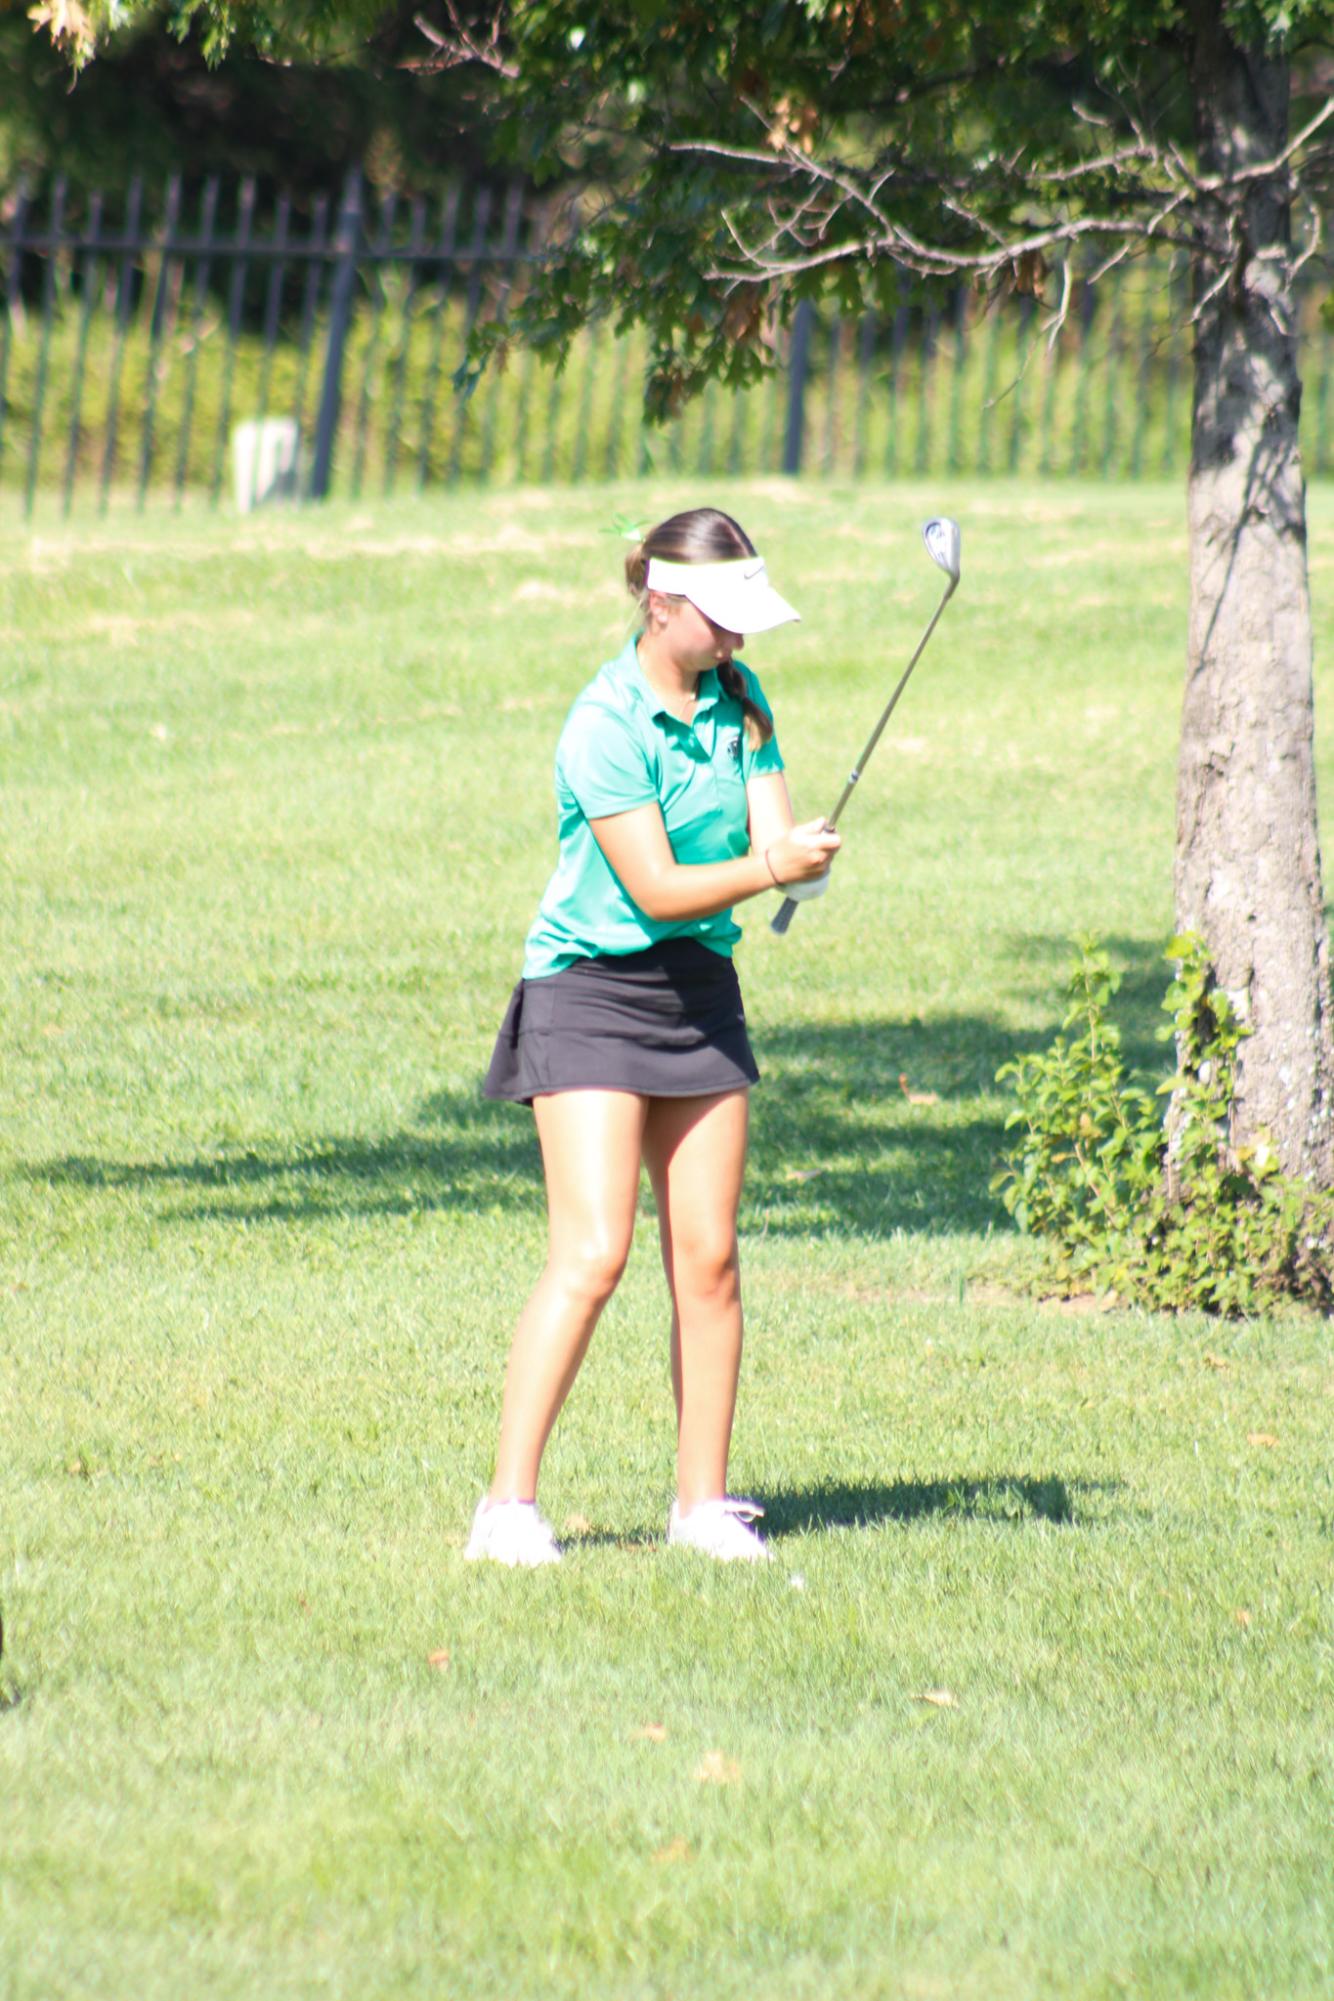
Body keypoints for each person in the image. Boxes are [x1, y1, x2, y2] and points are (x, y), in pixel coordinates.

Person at [468, 507, 839, 1566]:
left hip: (698, 989)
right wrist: (772, 871)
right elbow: (657, 886)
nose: (737, 642)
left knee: (709, 1256)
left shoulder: (743, 700)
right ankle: (506, 1510)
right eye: (721, 622)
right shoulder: (602, 724)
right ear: (660, 603)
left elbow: (768, 839)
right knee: (592, 1252)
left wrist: (797, 856)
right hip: (587, 987)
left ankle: (700, 1506)